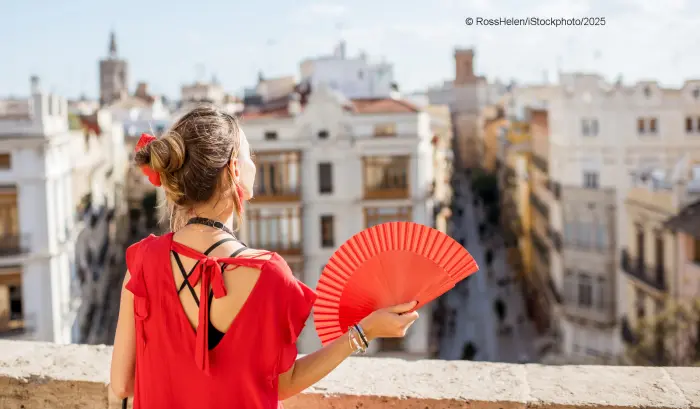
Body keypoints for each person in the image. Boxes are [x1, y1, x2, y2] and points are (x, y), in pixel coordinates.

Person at [109, 106, 420, 408]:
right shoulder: (269, 274)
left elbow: (122, 385)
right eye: (249, 155)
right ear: (233, 169)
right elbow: (285, 383)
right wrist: (364, 333)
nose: (254, 165)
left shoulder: (143, 263)